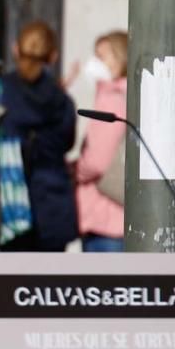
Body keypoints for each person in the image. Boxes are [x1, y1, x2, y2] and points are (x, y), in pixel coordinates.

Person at [0, 19, 77, 251]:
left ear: (15, 49)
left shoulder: (0, 93)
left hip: (7, 209)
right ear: (53, 56)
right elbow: (66, 143)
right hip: (51, 209)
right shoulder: (61, 101)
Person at [75, 31, 128, 252]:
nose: (95, 63)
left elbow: (96, 162)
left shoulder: (112, 98)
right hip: (116, 218)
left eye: (102, 56)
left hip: (106, 218)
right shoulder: (128, 94)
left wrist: (74, 171)